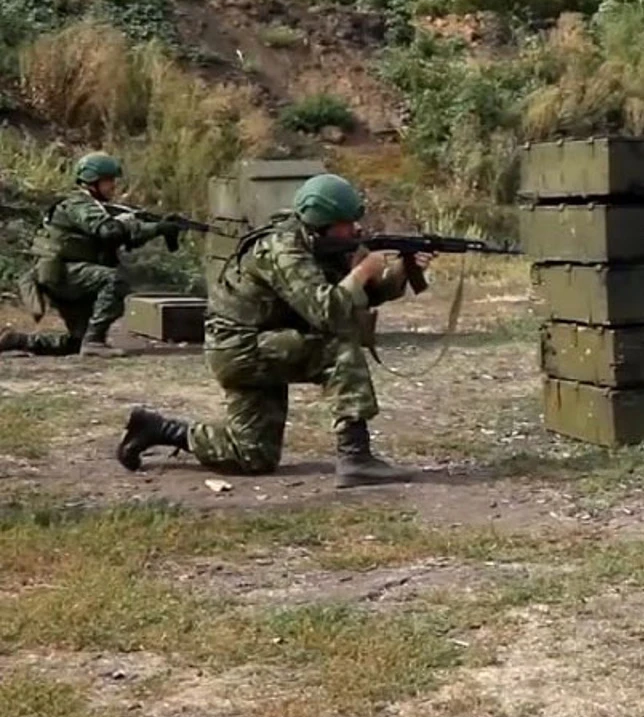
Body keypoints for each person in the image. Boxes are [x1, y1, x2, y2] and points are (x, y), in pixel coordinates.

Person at [115, 172, 423, 489]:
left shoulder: (312, 242)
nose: (355, 229)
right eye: (346, 223)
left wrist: (401, 271)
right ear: (322, 222)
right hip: (242, 349)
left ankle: (159, 430)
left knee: (252, 455)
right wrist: (362, 271)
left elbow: (358, 297)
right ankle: (356, 457)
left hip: (257, 345)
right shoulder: (284, 250)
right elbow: (328, 312)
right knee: (337, 347)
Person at [1, 152, 182, 357]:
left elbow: (124, 236)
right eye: (108, 181)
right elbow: (109, 232)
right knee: (115, 280)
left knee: (76, 342)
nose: (114, 186)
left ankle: (17, 340)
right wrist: (133, 223)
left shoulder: (97, 207)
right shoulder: (79, 204)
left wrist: (159, 228)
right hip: (64, 273)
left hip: (69, 275)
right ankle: (95, 342)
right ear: (92, 182)